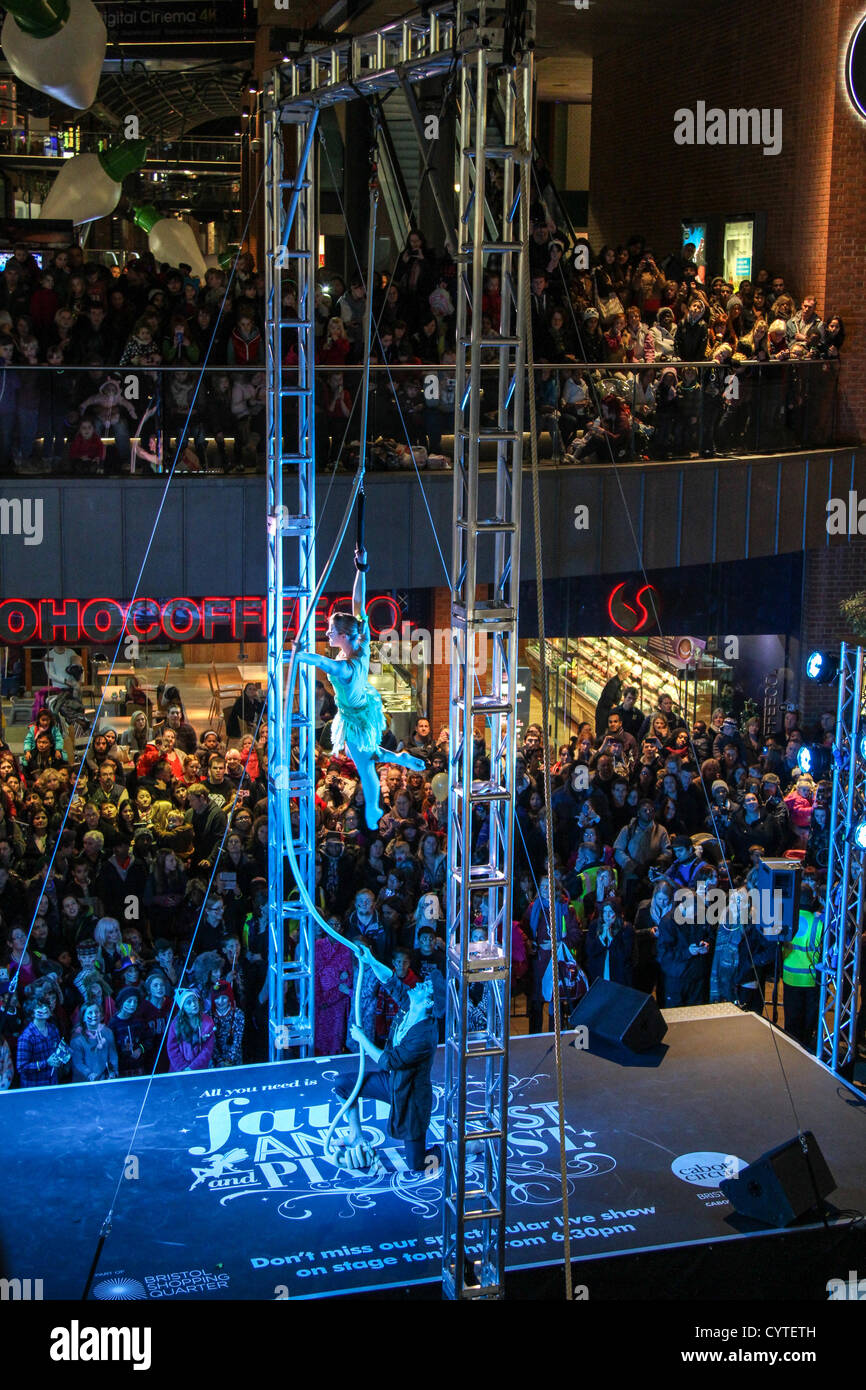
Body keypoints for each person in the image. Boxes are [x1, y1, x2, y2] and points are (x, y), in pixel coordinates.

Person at [295, 545, 425, 831]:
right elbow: (358, 603)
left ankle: (376, 806)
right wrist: (361, 569)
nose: (327, 633)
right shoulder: (362, 642)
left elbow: (320, 662)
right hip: (362, 706)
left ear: (343, 635)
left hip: (354, 716)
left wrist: (293, 654)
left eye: (330, 631)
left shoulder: (345, 668)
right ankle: (397, 758)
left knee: (366, 768)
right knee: (365, 755)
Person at [333, 962, 438, 1173]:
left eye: (426, 987)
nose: (419, 985)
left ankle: (460, 1149)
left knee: (417, 1164)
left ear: (427, 1002)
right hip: (391, 1081)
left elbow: (391, 1060)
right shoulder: (410, 1005)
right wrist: (371, 959)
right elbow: (390, 981)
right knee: (343, 1085)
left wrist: (363, 1040)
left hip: (410, 1096)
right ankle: (356, 1135)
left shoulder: (425, 1035)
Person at [166, 988, 215, 1071]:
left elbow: (207, 1049)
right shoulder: (176, 1024)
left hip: (200, 1068)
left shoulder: (208, 1022)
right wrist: (183, 1068)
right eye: (189, 1003)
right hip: (179, 1070)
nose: (193, 1004)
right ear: (183, 1007)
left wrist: (192, 1068)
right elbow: (172, 1048)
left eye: (194, 1000)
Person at [70, 999, 119, 1081]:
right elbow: (78, 1062)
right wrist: (89, 1074)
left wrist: (113, 1070)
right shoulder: (77, 1038)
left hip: (104, 1079)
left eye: (96, 1012)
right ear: (83, 1018)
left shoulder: (108, 1032)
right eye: (90, 1013)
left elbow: (113, 1055)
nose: (94, 1015)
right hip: (84, 1081)